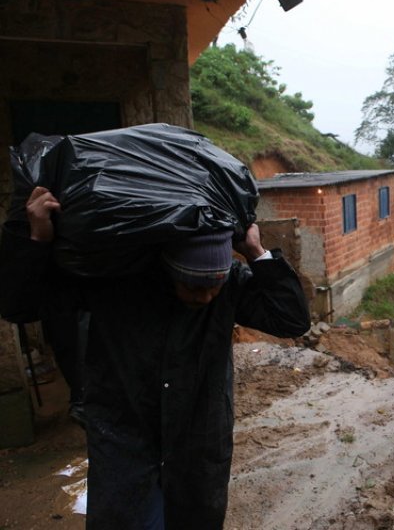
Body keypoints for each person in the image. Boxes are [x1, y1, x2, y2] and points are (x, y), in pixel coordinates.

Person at [0, 186, 311, 529]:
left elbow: (291, 320)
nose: (206, 296)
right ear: (168, 265)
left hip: (199, 441)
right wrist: (36, 242)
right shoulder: (114, 282)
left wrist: (256, 252)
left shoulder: (231, 285)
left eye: (215, 284)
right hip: (125, 440)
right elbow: (19, 306)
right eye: (193, 285)